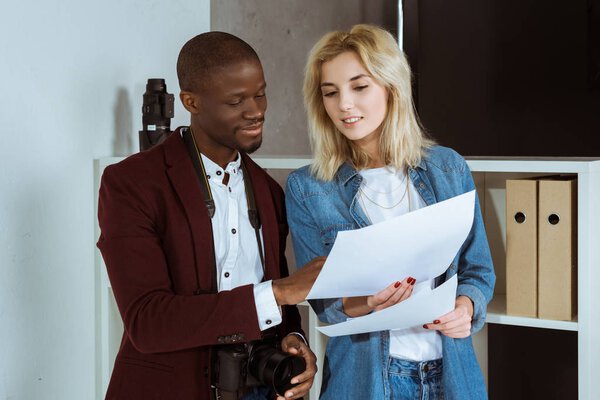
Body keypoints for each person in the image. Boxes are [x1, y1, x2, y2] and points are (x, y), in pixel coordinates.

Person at [97, 31, 324, 400]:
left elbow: (276, 299)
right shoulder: (130, 184)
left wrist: (295, 341)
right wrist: (280, 292)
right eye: (237, 100)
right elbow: (148, 322)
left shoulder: (268, 190)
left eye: (260, 93)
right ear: (191, 102)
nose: (256, 111)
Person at [285, 24, 495, 400]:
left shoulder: (448, 168)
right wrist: (368, 303)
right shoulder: (308, 188)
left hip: (452, 376)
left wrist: (465, 307)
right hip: (365, 382)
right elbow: (325, 306)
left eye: (359, 86)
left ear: (391, 85)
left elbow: (477, 270)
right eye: (330, 93)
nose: (344, 104)